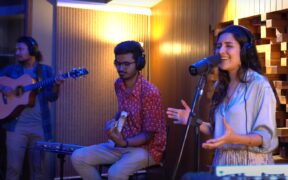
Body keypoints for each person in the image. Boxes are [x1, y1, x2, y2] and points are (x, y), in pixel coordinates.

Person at [167, 25, 278, 166]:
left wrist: (235, 138)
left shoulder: (259, 85)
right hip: (221, 162)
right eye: (218, 46)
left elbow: (266, 136)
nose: (221, 51)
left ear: (244, 52)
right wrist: (193, 121)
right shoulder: (220, 85)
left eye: (228, 46)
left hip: (251, 164)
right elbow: (220, 132)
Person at [71, 40, 166, 180]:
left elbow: (148, 135)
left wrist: (124, 143)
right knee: (78, 157)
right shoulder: (118, 84)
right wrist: (113, 125)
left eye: (126, 64)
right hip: (122, 144)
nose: (121, 68)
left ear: (139, 63)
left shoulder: (150, 92)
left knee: (115, 173)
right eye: (118, 63)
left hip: (147, 150)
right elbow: (123, 113)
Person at [0, 36, 63, 180]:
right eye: (16, 49)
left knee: (38, 171)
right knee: (13, 170)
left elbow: (51, 97)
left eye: (20, 49)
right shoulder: (11, 70)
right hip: (15, 127)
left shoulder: (46, 71)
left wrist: (57, 85)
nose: (17, 52)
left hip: (40, 127)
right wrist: (4, 87)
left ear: (33, 50)